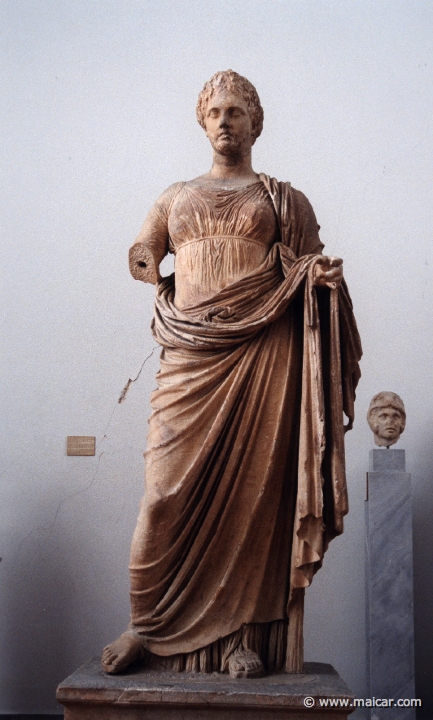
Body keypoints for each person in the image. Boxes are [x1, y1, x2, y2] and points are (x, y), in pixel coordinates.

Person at [102, 70, 362, 678]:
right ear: (203, 121)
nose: (225, 121)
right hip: (191, 353)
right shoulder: (176, 195)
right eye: (215, 112)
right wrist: (146, 262)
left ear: (254, 123)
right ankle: (145, 624)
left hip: (263, 355)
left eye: (236, 112)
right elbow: (145, 250)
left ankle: (239, 636)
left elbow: (307, 270)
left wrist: (321, 280)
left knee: (253, 503)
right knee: (162, 496)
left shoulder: (284, 200)